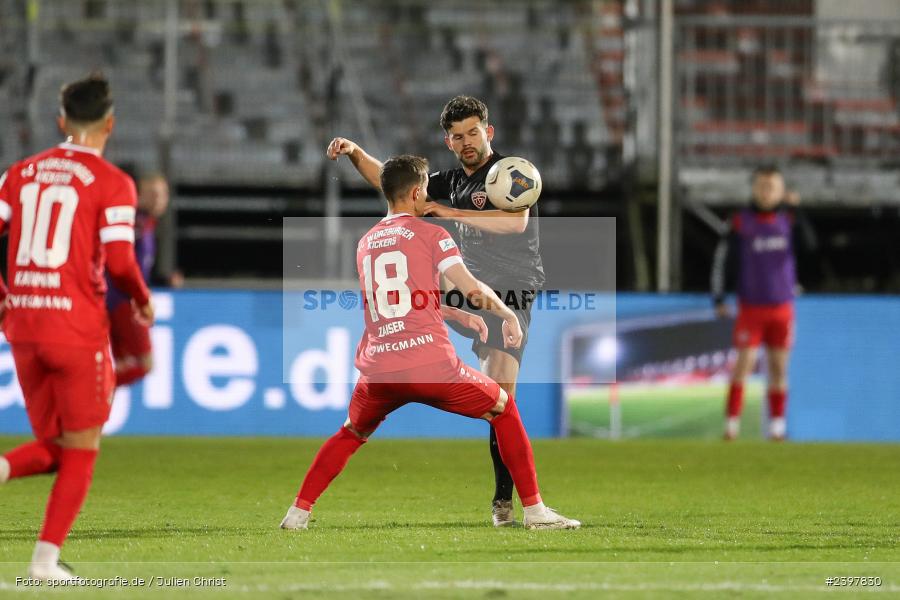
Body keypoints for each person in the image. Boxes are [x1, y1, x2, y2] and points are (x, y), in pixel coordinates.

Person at [280, 156, 578, 531]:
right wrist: (505, 315)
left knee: (350, 433)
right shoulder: (433, 235)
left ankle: (298, 513)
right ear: (419, 192)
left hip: (379, 370)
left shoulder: (366, 242)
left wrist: (456, 315)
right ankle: (534, 511)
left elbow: (399, 298)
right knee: (504, 410)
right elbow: (472, 288)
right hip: (431, 366)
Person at [326, 96, 545, 527]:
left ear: (489, 132)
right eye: (458, 136)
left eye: (473, 132)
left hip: (512, 290)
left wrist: (446, 211)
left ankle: (504, 501)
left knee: (503, 397)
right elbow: (390, 180)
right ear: (448, 140)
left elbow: (515, 222)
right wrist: (355, 153)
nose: (467, 142)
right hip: (470, 289)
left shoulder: (508, 173)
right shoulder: (449, 181)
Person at [0, 74, 154, 581]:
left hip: (22, 326)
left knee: (53, 450)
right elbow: (120, 261)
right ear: (111, 123)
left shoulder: (18, 174)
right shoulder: (113, 183)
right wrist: (141, 299)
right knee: (81, 451)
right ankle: (45, 562)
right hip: (76, 330)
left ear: (60, 121)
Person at [711, 165, 813, 441]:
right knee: (743, 365)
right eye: (762, 186)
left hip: (782, 307)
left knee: (779, 368)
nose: (767, 192)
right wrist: (719, 296)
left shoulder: (790, 220)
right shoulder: (740, 222)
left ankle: (777, 428)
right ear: (754, 189)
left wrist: (800, 212)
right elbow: (723, 260)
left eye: (773, 187)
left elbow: (810, 247)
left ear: (781, 191)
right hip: (751, 307)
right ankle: (731, 426)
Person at [105, 172, 169, 387]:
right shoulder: (137, 223)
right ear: (139, 196)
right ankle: (95, 390)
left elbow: (140, 266)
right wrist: (140, 298)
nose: (158, 200)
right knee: (145, 363)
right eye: (152, 194)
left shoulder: (146, 224)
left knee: (121, 364)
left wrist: (164, 280)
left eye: (162, 195)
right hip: (125, 301)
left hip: (117, 299)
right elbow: (121, 262)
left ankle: (95, 399)